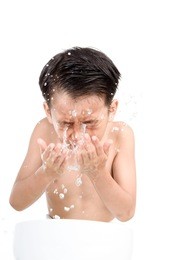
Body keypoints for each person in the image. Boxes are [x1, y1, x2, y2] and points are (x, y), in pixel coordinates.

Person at [9, 47, 136, 222]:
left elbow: (126, 213)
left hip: (102, 239)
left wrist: (97, 172)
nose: (77, 135)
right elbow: (17, 202)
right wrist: (46, 173)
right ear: (48, 111)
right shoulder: (45, 131)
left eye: (90, 123)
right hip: (56, 236)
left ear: (111, 109)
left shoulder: (120, 135)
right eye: (66, 123)